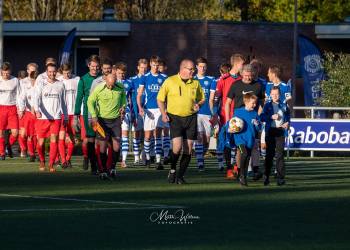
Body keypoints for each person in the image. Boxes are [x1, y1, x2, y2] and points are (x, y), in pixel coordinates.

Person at [157, 59, 205, 184]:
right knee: (177, 148)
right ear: (183, 68)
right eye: (191, 69)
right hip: (175, 118)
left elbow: (202, 99)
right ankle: (172, 170)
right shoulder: (170, 81)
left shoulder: (195, 83)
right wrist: (163, 114)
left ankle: (180, 176)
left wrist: (198, 104)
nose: (193, 72)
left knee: (188, 148)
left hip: (191, 118)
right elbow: (160, 99)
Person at [225, 64, 264, 179]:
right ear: (241, 74)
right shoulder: (236, 85)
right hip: (239, 120)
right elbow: (227, 102)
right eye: (246, 75)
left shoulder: (258, 85)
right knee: (240, 148)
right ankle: (240, 170)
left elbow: (263, 101)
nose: (248, 77)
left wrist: (258, 115)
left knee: (255, 145)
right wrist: (228, 120)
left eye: (250, 75)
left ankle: (255, 170)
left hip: (252, 119)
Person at [87, 73, 126, 180]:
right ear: (106, 81)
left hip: (116, 120)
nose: (111, 86)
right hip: (102, 120)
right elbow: (90, 101)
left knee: (117, 145)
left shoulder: (120, 87)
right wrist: (94, 116)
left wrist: (123, 107)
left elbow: (123, 98)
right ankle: (102, 170)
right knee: (103, 146)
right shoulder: (99, 88)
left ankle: (113, 168)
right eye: (109, 84)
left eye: (113, 84)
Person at [213, 54, 245, 172]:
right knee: (227, 141)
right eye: (242, 64)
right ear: (236, 64)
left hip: (239, 115)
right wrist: (215, 114)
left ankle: (238, 167)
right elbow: (217, 98)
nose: (244, 66)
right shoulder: (223, 79)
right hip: (225, 115)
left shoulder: (242, 79)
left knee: (239, 142)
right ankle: (229, 168)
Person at [33, 63, 68, 172]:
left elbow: (63, 102)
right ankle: (42, 161)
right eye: (50, 71)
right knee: (41, 143)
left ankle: (51, 164)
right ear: (46, 72)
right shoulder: (41, 84)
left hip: (56, 118)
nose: (52, 73)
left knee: (54, 140)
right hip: (42, 118)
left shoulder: (61, 85)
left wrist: (65, 116)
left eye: (54, 71)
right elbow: (36, 99)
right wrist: (37, 110)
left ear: (56, 72)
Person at [137, 55, 168, 170]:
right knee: (148, 135)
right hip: (148, 110)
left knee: (158, 133)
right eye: (153, 65)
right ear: (150, 64)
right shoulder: (145, 77)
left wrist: (166, 110)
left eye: (157, 65)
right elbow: (139, 94)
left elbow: (167, 95)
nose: (155, 67)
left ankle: (158, 161)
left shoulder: (164, 78)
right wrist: (140, 108)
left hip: (160, 109)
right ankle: (148, 158)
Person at [74, 55, 101, 174]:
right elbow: (79, 97)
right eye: (92, 66)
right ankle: (93, 165)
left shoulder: (102, 78)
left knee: (101, 139)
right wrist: (76, 115)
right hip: (88, 113)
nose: (95, 68)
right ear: (88, 65)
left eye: (97, 66)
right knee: (90, 139)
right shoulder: (83, 79)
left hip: (102, 113)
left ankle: (100, 163)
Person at [260, 87, 290, 186]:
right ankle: (266, 176)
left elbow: (288, 116)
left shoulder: (284, 104)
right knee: (269, 155)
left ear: (280, 94)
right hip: (270, 132)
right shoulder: (267, 105)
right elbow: (262, 117)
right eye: (273, 94)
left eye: (276, 94)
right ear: (270, 95)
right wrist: (270, 117)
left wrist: (287, 123)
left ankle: (280, 178)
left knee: (280, 155)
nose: (275, 96)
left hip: (280, 132)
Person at [233, 93, 261, 186]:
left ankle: (243, 177)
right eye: (253, 103)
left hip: (250, 140)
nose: (255, 105)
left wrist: (257, 124)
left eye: (255, 103)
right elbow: (232, 123)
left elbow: (259, 128)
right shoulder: (238, 111)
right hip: (239, 139)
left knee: (248, 157)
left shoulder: (255, 114)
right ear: (246, 102)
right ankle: (241, 174)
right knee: (243, 153)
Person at [193, 57, 216, 171]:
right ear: (196, 67)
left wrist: (213, 113)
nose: (202, 68)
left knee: (207, 140)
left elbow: (212, 99)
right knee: (199, 138)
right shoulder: (191, 80)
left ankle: (201, 155)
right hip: (196, 114)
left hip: (207, 113)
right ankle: (200, 162)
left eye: (204, 66)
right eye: (200, 66)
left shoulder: (211, 80)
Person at [57, 63, 80, 168]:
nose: (67, 75)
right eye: (65, 73)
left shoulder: (77, 79)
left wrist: (78, 113)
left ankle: (67, 159)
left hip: (73, 114)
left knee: (72, 138)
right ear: (62, 72)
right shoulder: (59, 80)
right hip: (62, 114)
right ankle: (63, 160)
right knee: (61, 137)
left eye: (69, 72)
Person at [0, 62, 21, 160]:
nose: (5, 75)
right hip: (1, 108)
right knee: (1, 132)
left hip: (12, 108)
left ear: (10, 72)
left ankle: (6, 147)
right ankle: (2, 153)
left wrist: (20, 108)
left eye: (7, 73)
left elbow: (19, 95)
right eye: (3, 73)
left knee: (15, 133)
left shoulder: (15, 80)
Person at [18, 66, 39, 162]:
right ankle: (30, 153)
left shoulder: (42, 85)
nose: (33, 81)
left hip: (40, 114)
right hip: (28, 113)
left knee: (38, 135)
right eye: (32, 80)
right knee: (29, 134)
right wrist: (21, 110)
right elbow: (21, 98)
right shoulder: (25, 85)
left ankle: (36, 152)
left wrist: (37, 109)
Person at [130, 59, 148, 165]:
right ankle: (136, 157)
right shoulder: (132, 80)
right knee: (136, 133)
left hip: (149, 110)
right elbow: (131, 98)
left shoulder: (149, 78)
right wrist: (134, 112)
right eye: (142, 67)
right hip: (137, 111)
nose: (144, 69)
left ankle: (145, 154)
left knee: (148, 134)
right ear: (138, 67)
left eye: (145, 67)